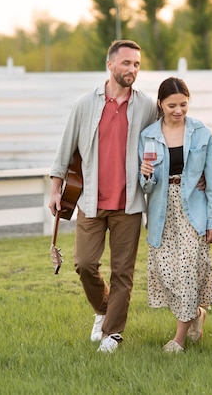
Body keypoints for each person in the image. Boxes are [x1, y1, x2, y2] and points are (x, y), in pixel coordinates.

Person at [48, 40, 158, 353]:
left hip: (129, 204)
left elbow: (166, 140)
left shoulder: (147, 106)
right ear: (110, 65)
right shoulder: (85, 104)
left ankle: (112, 334)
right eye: (126, 63)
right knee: (84, 264)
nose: (132, 70)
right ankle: (103, 309)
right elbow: (65, 150)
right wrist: (55, 190)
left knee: (123, 273)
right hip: (91, 202)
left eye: (136, 64)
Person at [139, 77, 212, 353]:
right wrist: (146, 176)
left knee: (187, 269)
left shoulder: (201, 133)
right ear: (160, 104)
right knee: (167, 272)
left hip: (193, 210)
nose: (178, 110)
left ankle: (179, 338)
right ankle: (196, 315)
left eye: (183, 105)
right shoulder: (148, 135)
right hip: (162, 211)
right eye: (172, 105)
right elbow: (145, 186)